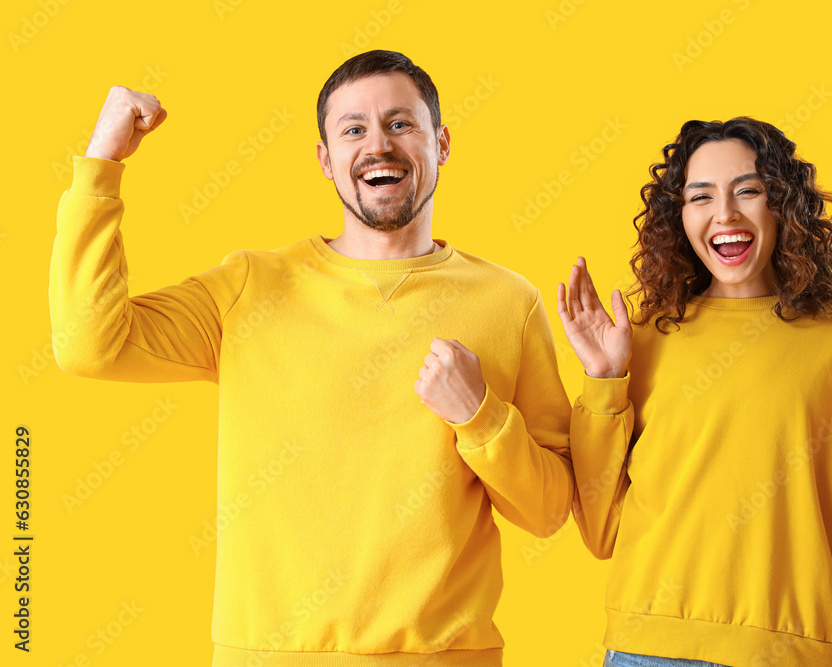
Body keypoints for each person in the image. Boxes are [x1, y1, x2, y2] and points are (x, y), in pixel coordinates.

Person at [49, 50, 573, 666]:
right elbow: (90, 346)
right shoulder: (251, 287)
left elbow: (548, 510)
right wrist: (101, 165)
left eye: (401, 124)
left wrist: (480, 416)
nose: (378, 145)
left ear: (442, 143)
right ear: (326, 159)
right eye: (353, 130)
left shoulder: (509, 303)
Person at [557, 117, 832, 667]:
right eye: (701, 197)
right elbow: (602, 533)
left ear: (783, 206)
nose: (725, 214)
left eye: (748, 191)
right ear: (680, 218)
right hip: (652, 650)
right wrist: (604, 380)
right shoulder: (641, 337)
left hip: (801, 652)